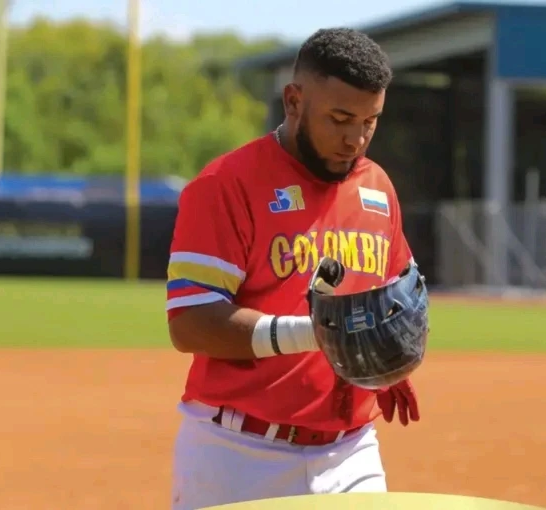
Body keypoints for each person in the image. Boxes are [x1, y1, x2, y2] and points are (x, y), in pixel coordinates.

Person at [166, 27, 421, 510]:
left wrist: (387, 359)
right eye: (340, 118)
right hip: (238, 455)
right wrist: (319, 334)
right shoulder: (227, 184)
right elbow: (191, 321)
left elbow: (392, 292)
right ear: (293, 101)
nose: (356, 139)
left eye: (371, 121)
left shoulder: (377, 188)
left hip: (351, 451)